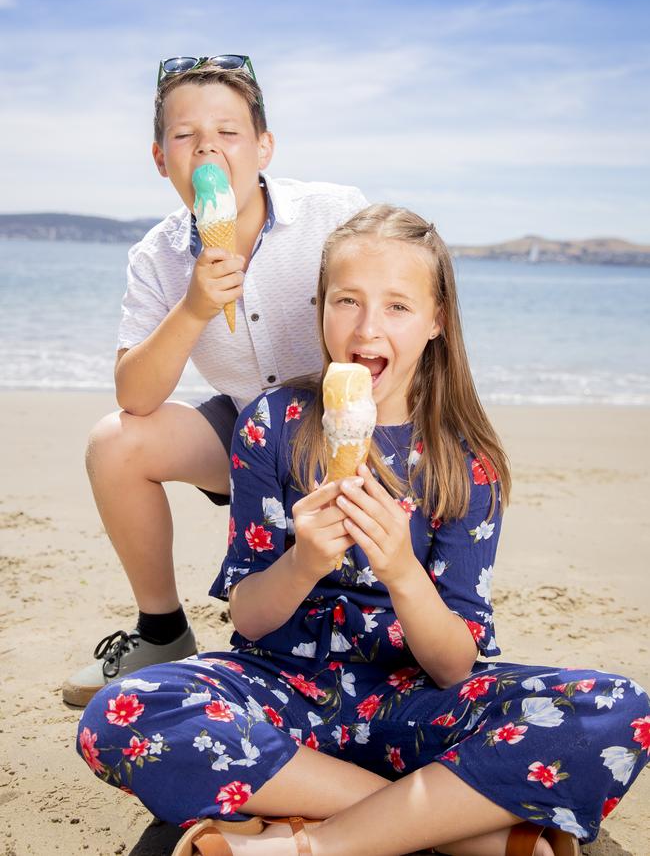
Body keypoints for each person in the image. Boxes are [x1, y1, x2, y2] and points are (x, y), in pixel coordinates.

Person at [76, 205, 650, 856]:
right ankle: (448, 821)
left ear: (437, 321)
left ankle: (306, 840)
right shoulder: (274, 423)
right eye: (347, 300)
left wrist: (403, 571)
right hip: (282, 694)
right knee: (119, 717)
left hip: (419, 707)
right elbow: (251, 619)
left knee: (618, 709)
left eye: (398, 307)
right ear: (321, 307)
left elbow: (454, 662)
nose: (367, 325)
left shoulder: (465, 464)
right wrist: (303, 564)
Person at [63, 55, 367, 706]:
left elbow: (401, 310)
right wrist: (194, 306)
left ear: (264, 146)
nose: (206, 145)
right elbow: (136, 395)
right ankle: (163, 632)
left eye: (228, 131)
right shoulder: (158, 255)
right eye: (185, 134)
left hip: (346, 425)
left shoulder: (334, 213)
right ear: (158, 157)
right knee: (114, 442)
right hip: (244, 432)